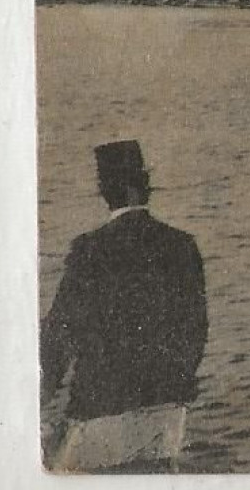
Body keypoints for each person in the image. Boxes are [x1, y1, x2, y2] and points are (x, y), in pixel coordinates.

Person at [40, 140, 208, 472]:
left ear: (104, 192)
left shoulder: (88, 250)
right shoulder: (182, 245)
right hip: (167, 404)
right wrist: (180, 377)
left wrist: (41, 395)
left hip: (101, 403)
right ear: (142, 186)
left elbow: (60, 331)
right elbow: (196, 328)